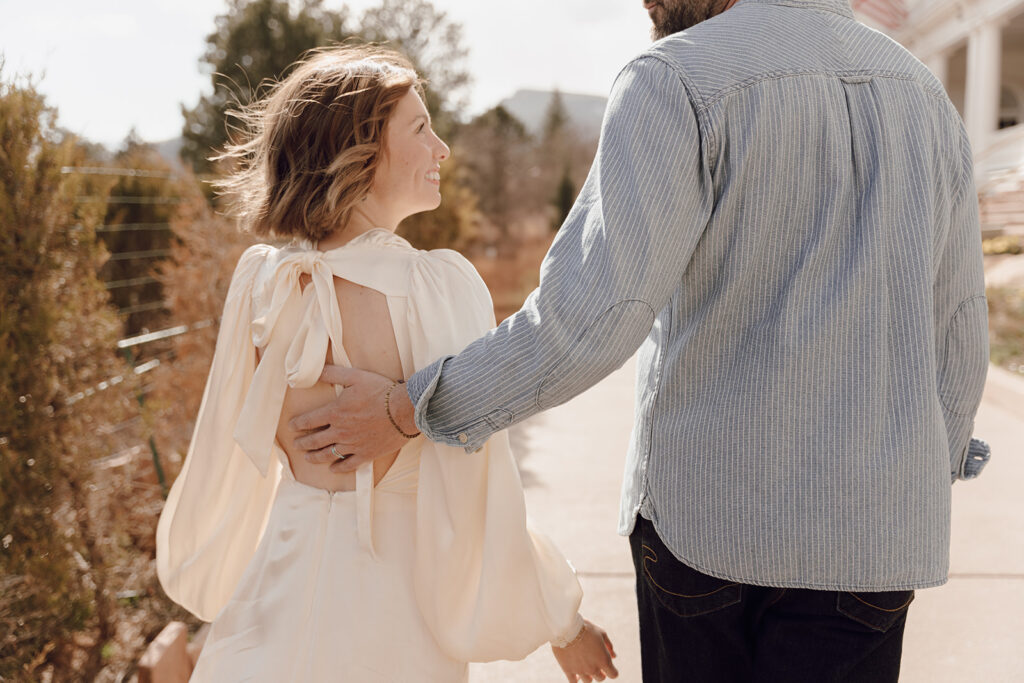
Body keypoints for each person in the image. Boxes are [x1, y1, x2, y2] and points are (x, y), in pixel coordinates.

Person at [291, 1, 991, 681]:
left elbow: (589, 319)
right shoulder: (925, 96)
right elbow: (959, 330)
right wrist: (923, 467)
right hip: (875, 540)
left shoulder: (677, 79)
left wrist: (402, 410)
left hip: (710, 529)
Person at [155, 46, 619, 683]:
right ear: (362, 153)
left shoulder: (264, 282)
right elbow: (481, 492)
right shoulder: (435, 290)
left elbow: (222, 458)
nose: (442, 149)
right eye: (420, 128)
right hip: (390, 617)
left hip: (274, 601)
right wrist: (562, 623)